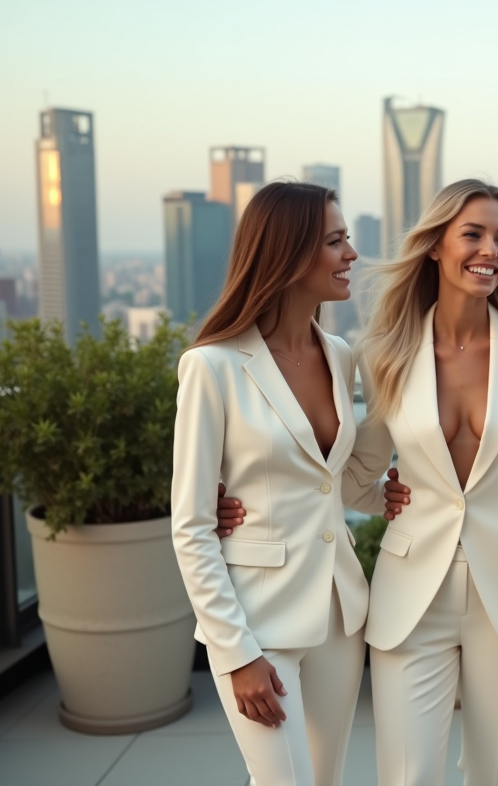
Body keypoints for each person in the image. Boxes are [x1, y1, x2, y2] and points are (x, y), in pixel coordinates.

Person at [219, 179, 498, 785]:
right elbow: (353, 471)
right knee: (407, 776)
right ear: (434, 245)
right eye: (474, 234)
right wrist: (241, 503)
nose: (491, 249)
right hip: (410, 592)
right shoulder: (387, 350)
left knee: (496, 773)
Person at [171, 182, 373, 786]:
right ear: (288, 253)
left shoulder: (340, 354)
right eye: (336, 241)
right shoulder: (212, 366)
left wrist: (382, 490)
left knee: (325, 779)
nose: (351, 255)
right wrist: (237, 654)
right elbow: (192, 526)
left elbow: (326, 478)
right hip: (257, 620)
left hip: (339, 612)